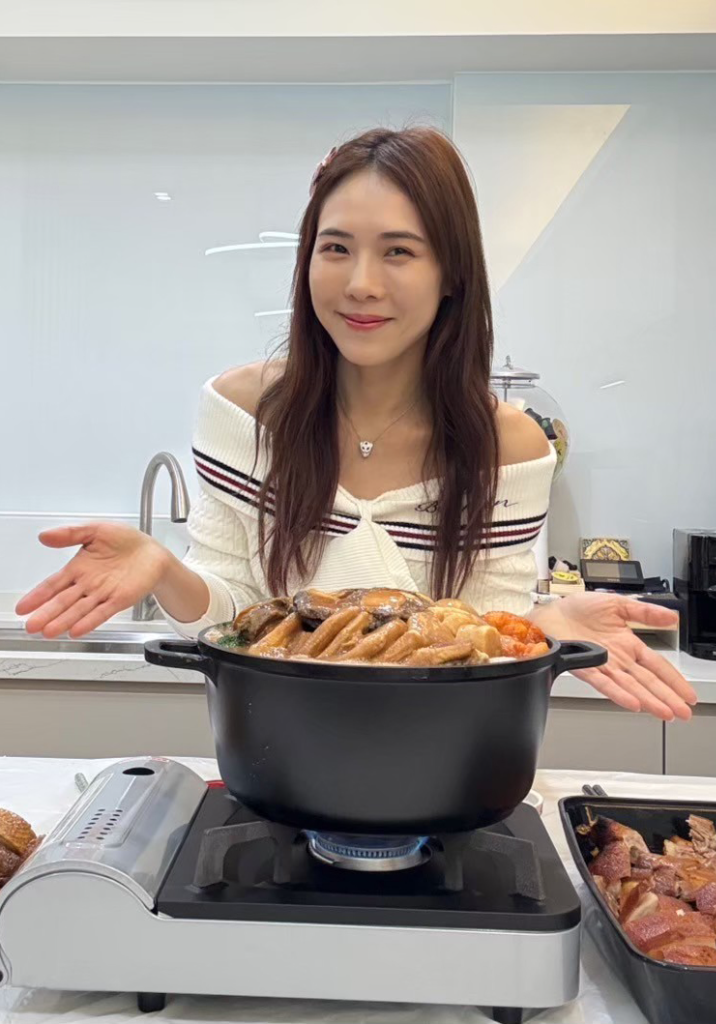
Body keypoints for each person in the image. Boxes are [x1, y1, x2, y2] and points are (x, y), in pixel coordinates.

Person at [16, 126, 695, 723]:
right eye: (336, 247)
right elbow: (233, 619)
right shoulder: (242, 410)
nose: (360, 283)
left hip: (441, 764)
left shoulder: (507, 446)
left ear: (452, 274)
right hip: (276, 753)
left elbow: (482, 632)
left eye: (398, 252)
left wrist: (541, 624)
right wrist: (164, 569)